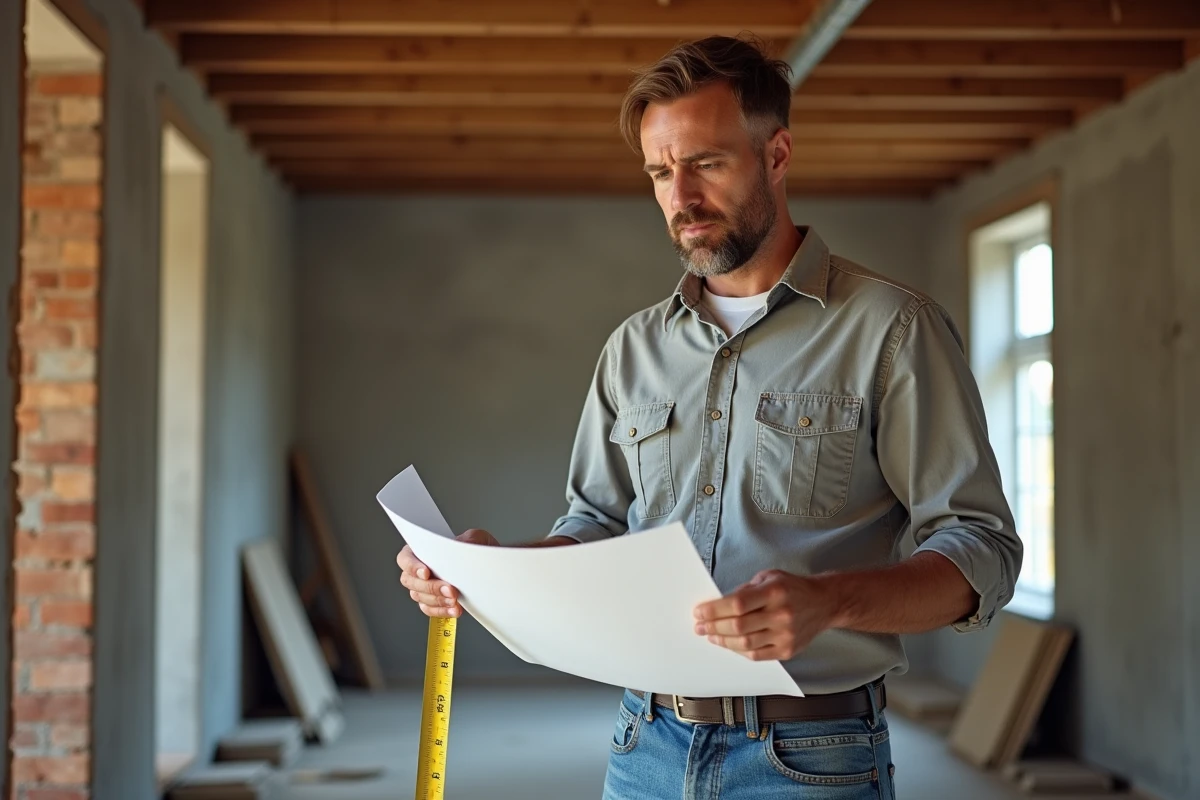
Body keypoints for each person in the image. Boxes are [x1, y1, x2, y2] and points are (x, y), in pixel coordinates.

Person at [397, 35, 1021, 800]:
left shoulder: (893, 329)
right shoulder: (633, 349)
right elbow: (594, 525)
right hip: (643, 746)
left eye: (707, 164)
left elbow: (983, 550)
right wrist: (490, 571)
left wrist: (831, 602)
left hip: (812, 757)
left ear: (777, 154)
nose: (680, 197)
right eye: (661, 172)